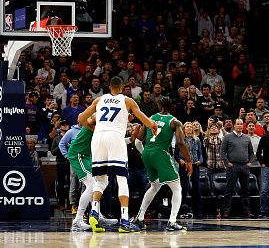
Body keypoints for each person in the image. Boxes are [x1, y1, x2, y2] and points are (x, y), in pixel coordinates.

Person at [77, 76, 158, 233]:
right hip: (115, 138)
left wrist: (94, 129)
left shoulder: (99, 99)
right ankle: (125, 221)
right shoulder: (127, 101)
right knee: (122, 180)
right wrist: (153, 125)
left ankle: (94, 211)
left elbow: (81, 118)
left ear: (109, 86)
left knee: (100, 181)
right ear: (122, 87)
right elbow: (143, 118)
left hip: (98, 138)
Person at [132, 96, 193, 231]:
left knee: (155, 186)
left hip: (147, 153)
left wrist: (144, 153)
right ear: (172, 107)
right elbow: (181, 142)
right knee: (177, 188)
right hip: (160, 153)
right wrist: (189, 160)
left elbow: (139, 139)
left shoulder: (150, 117)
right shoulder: (174, 122)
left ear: (159, 106)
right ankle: (172, 222)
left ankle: (139, 218)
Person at [67, 115, 118, 231]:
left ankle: (97, 215)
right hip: (78, 154)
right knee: (92, 186)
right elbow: (83, 119)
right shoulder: (96, 116)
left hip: (87, 156)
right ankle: (78, 220)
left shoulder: (109, 124)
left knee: (98, 185)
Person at [220, 118, 255, 218]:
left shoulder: (247, 138)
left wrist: (250, 162)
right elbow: (222, 151)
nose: (239, 126)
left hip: (244, 166)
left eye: (241, 124)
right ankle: (226, 211)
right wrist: (227, 163)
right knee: (229, 189)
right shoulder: (227, 137)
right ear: (234, 125)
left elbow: (251, 153)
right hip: (233, 166)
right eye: (238, 124)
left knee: (245, 190)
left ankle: (247, 212)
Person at [176, 122, 204, 218]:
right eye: (187, 126)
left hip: (195, 166)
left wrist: (200, 160)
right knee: (184, 188)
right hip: (184, 166)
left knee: (196, 188)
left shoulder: (197, 140)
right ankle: (181, 210)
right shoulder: (180, 140)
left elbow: (201, 154)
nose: (189, 128)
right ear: (183, 129)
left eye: (191, 127)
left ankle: (198, 212)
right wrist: (179, 160)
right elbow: (175, 154)